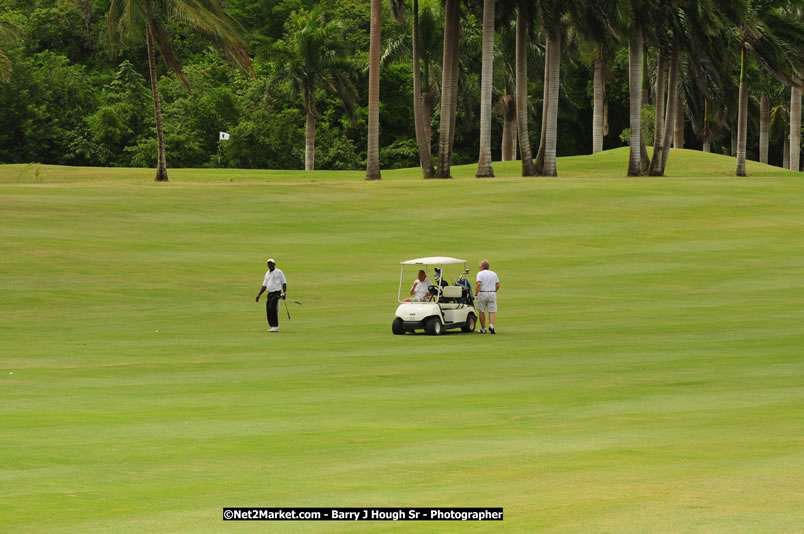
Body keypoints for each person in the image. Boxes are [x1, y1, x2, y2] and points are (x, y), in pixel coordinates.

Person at [255, 258, 287, 332]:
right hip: (269, 293)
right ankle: (273, 326)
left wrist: (284, 293)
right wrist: (259, 295)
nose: (269, 265)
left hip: (276, 293)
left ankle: (276, 326)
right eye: (268, 263)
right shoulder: (267, 273)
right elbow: (264, 285)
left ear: (274, 264)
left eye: (271, 263)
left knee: (272, 308)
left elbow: (284, 282)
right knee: (268, 310)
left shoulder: (279, 272)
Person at [474, 259, 500, 334]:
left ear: (482, 267)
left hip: (482, 293)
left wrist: (476, 294)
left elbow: (478, 284)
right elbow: (498, 285)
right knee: (491, 311)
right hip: (492, 293)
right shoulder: (494, 274)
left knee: (481, 311)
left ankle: (483, 329)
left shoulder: (480, 273)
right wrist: (494, 291)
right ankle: (491, 325)